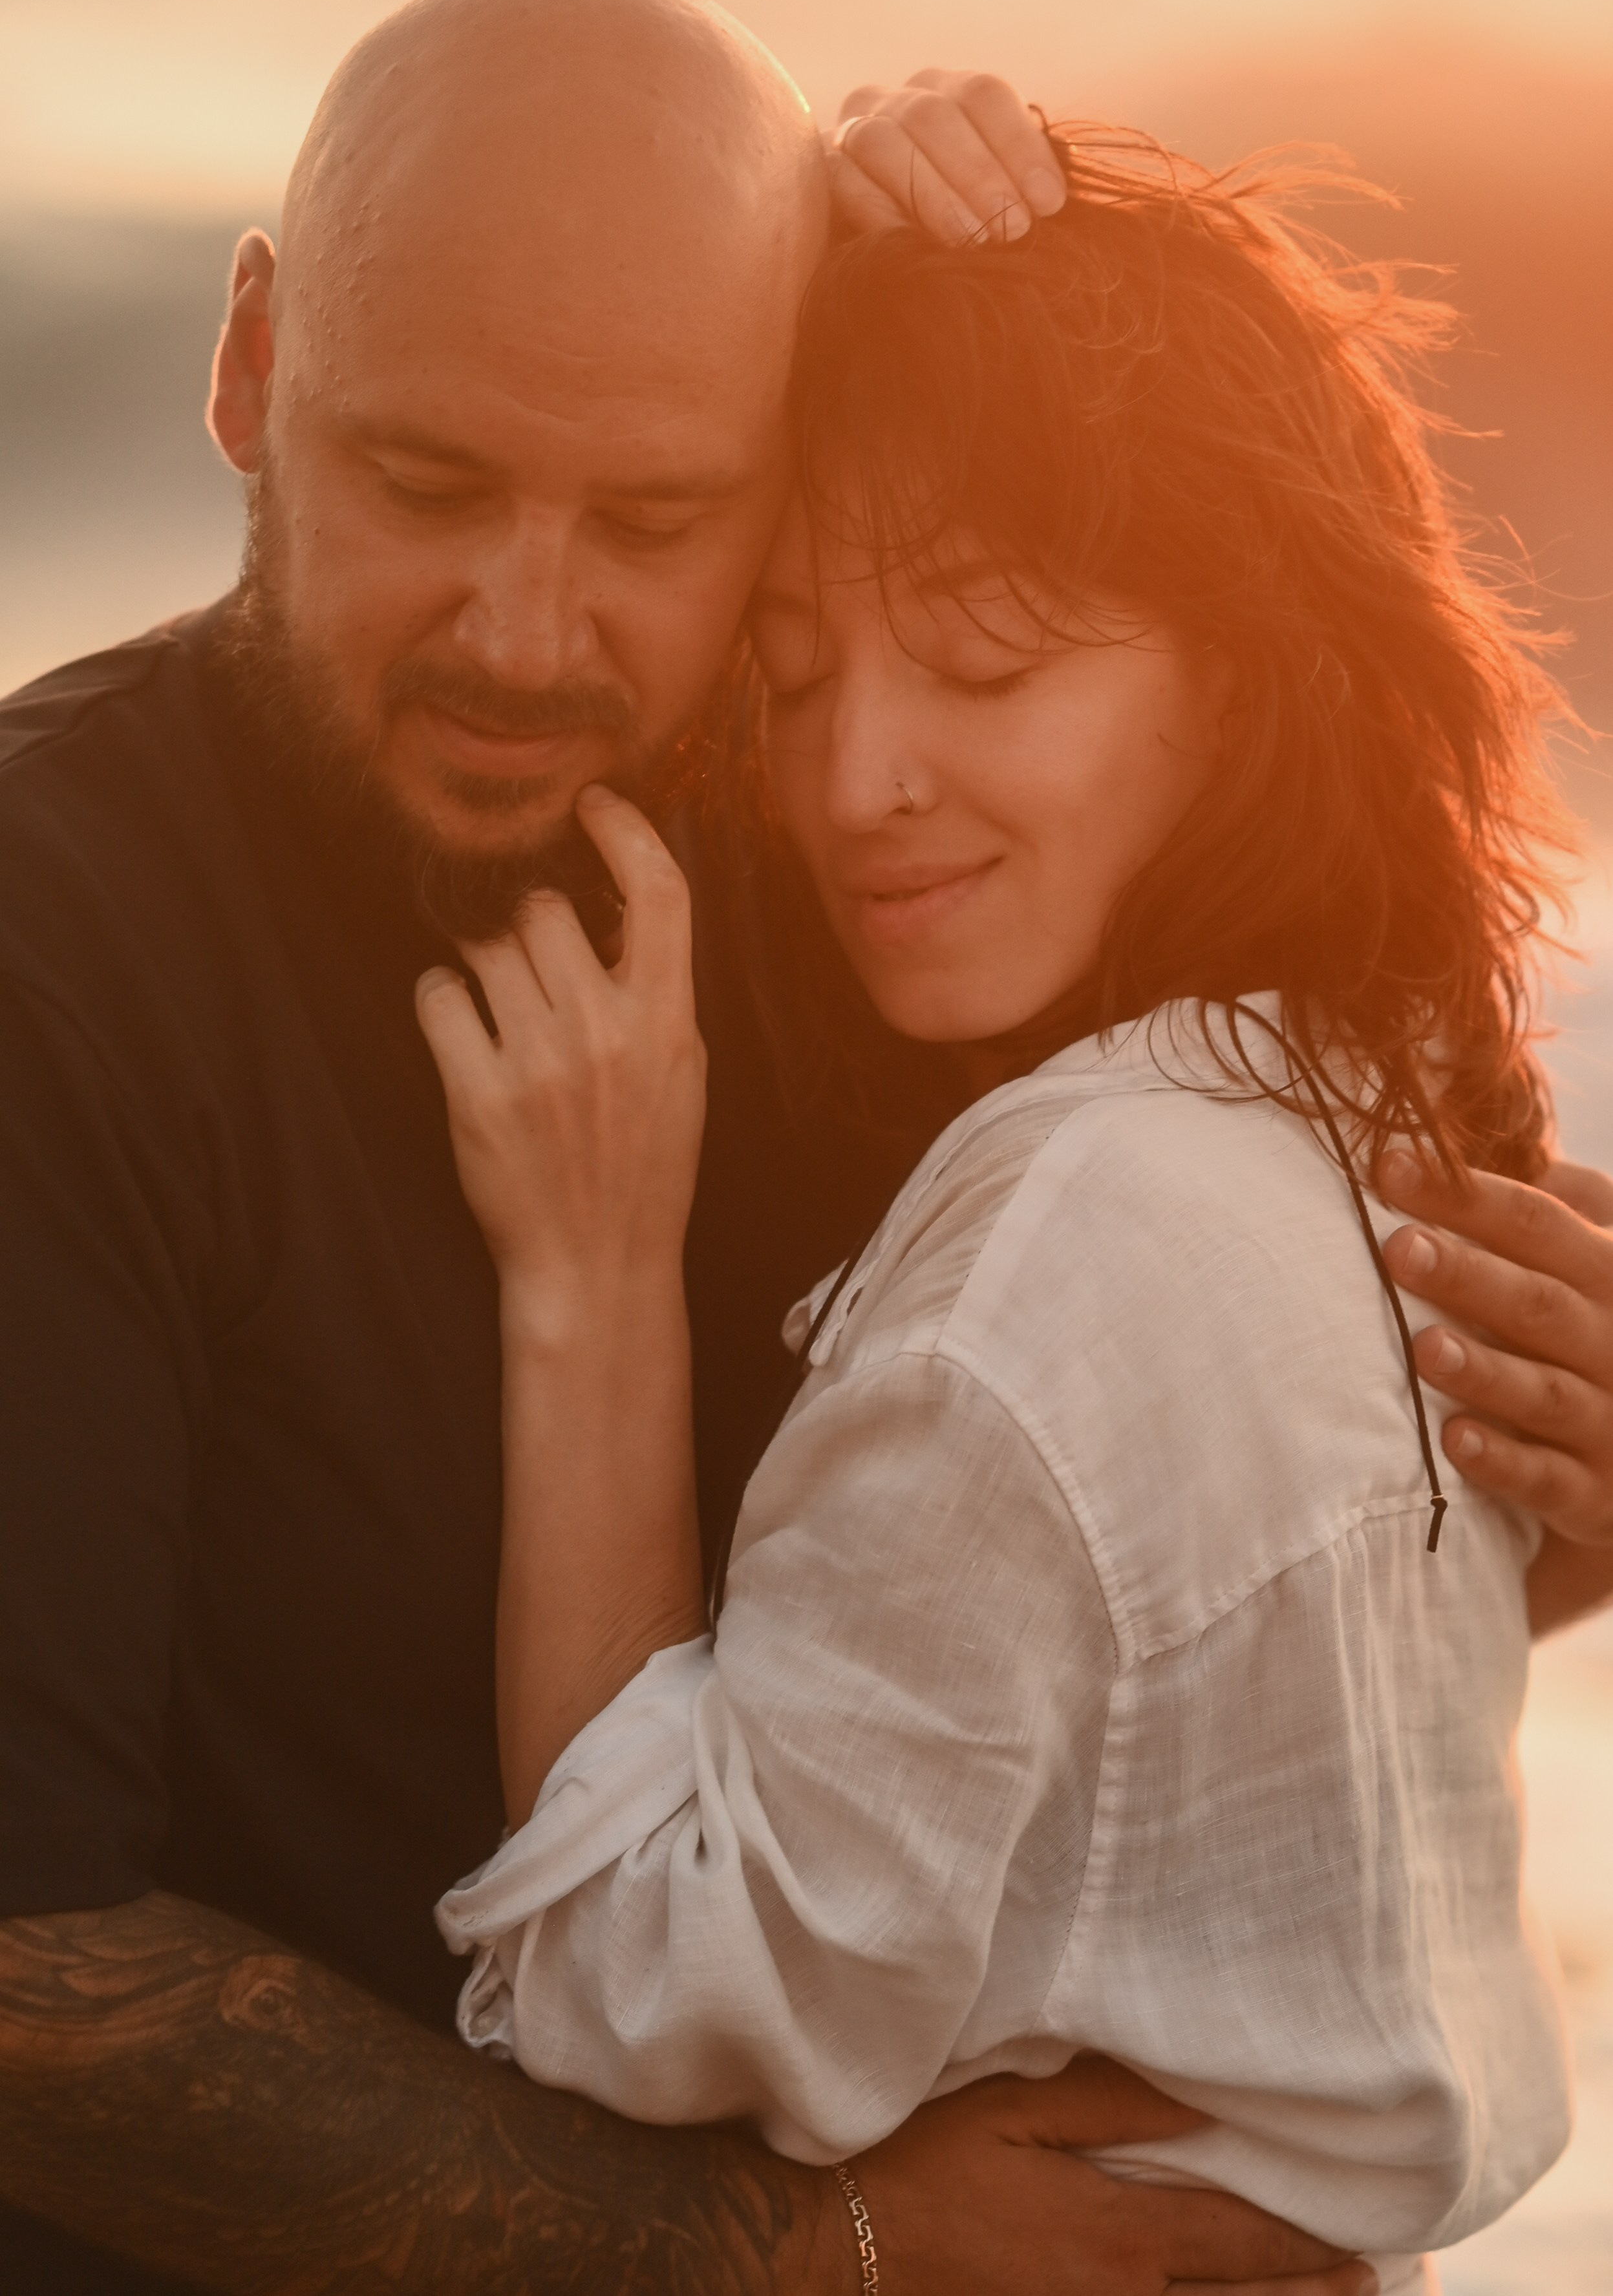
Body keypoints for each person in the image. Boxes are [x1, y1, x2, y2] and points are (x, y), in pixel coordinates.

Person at [0, 0, 1607, 2296]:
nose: (532, 632)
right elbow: (25, 1968)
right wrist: (800, 2248)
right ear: (253, 368)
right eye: (432, 483)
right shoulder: (61, 955)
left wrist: (1564, 1475)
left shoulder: (873, 866)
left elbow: (1176, 1579)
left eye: (660, 520)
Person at [421, 126, 1611, 2296]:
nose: (850, 776)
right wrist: (812, 201)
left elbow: (649, 1985)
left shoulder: (1072, 1233)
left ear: (1238, 682)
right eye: (788, 678)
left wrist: (583, 1280)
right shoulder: (1364, 1099)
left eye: (983, 669)